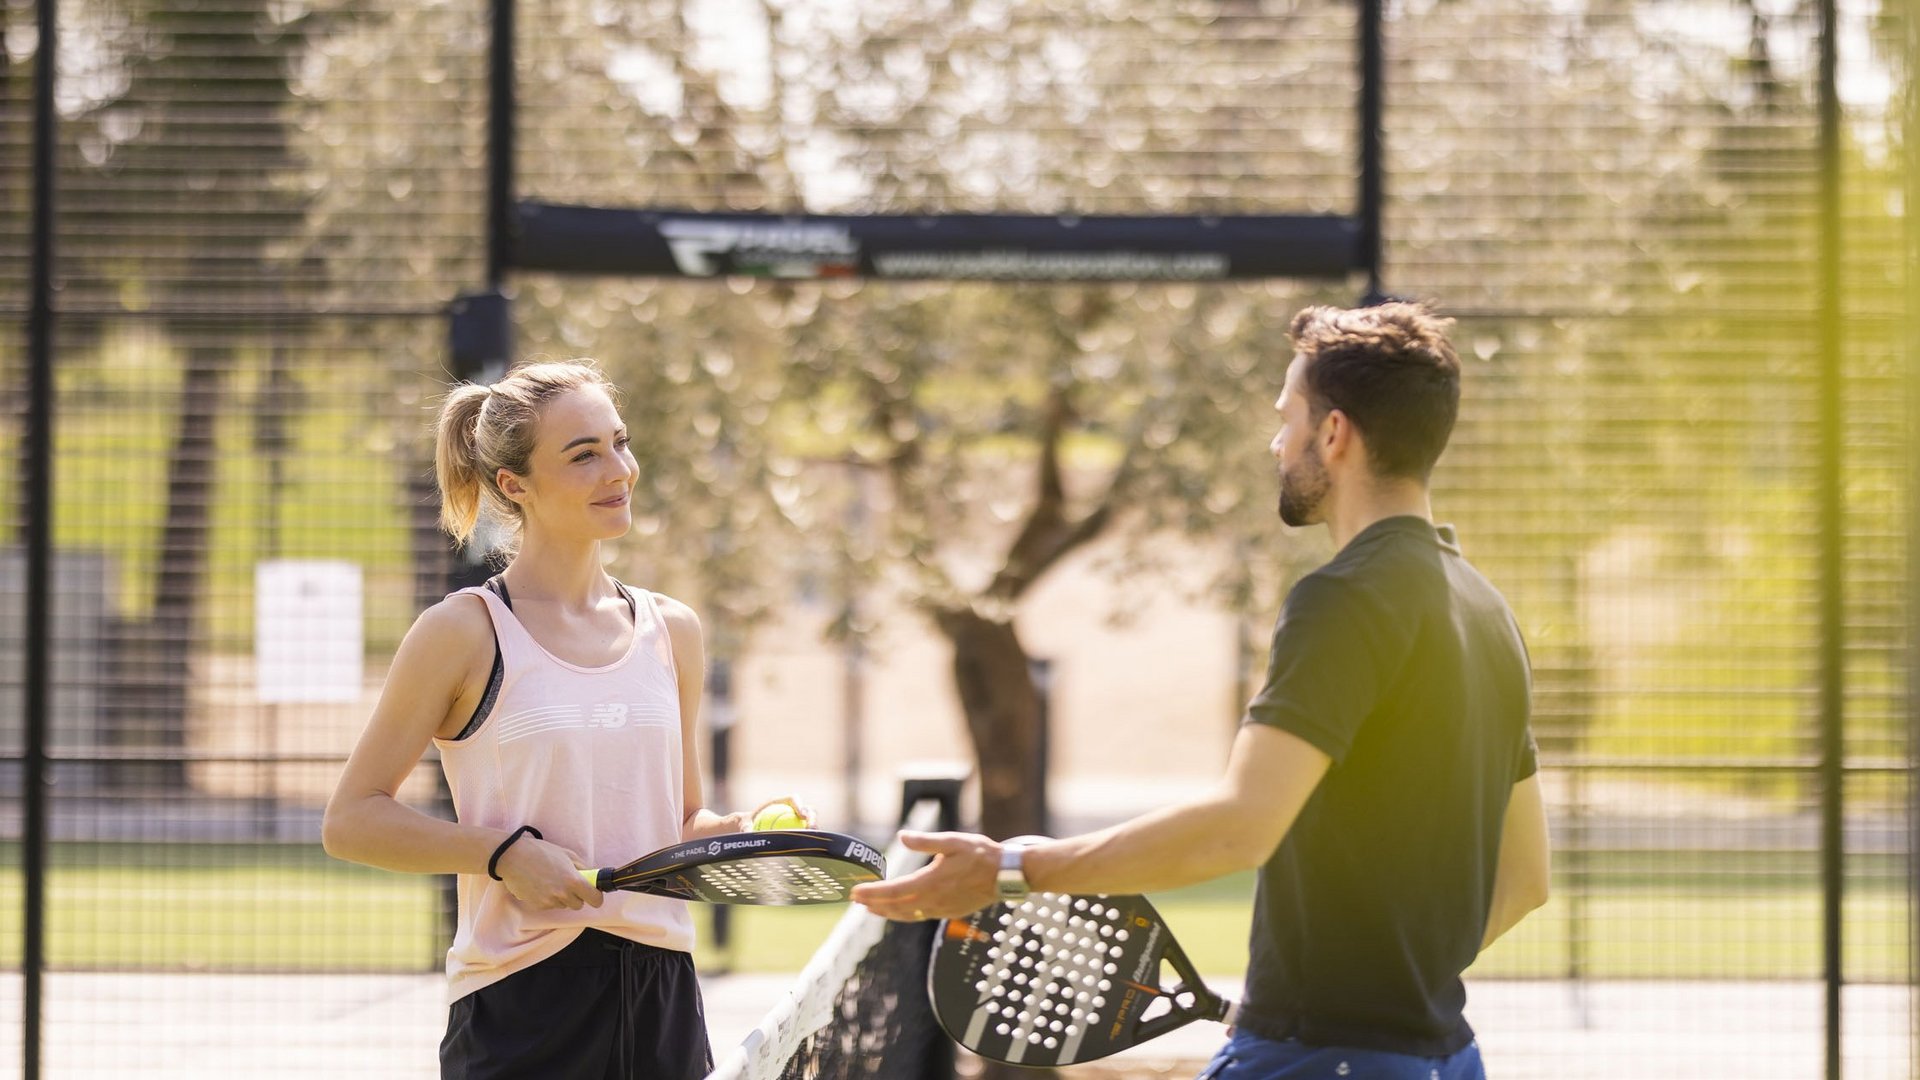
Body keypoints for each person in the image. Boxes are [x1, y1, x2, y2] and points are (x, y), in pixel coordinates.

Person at [852, 303, 1551, 1080]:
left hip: (1319, 1061)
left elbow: (1238, 829)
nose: (1276, 442)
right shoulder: (1488, 612)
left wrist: (1010, 870)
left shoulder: (1344, 598)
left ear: (1335, 434)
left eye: (1288, 417)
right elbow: (1525, 882)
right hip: (1446, 1057)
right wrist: (1389, 993)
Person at [323, 358, 807, 1079]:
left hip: (664, 1000)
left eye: (620, 442)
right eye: (584, 455)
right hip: (520, 1008)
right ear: (514, 486)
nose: (619, 469)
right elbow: (351, 821)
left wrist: (731, 838)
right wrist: (501, 854)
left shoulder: (673, 630)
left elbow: (680, 818)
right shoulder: (464, 632)